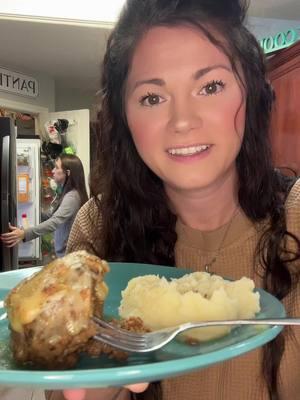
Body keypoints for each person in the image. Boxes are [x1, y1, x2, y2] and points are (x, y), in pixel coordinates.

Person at [27, 0, 300, 399]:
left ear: (252, 94)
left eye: (210, 86)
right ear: (125, 117)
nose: (183, 120)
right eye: (153, 98)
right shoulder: (98, 226)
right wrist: (96, 380)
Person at [1, 154, 88, 258]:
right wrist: (27, 214)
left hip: (70, 258)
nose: (53, 171)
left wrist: (25, 234)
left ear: (67, 173)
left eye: (56, 167)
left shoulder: (72, 197)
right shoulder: (68, 193)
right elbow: (51, 215)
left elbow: (54, 222)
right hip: (67, 256)